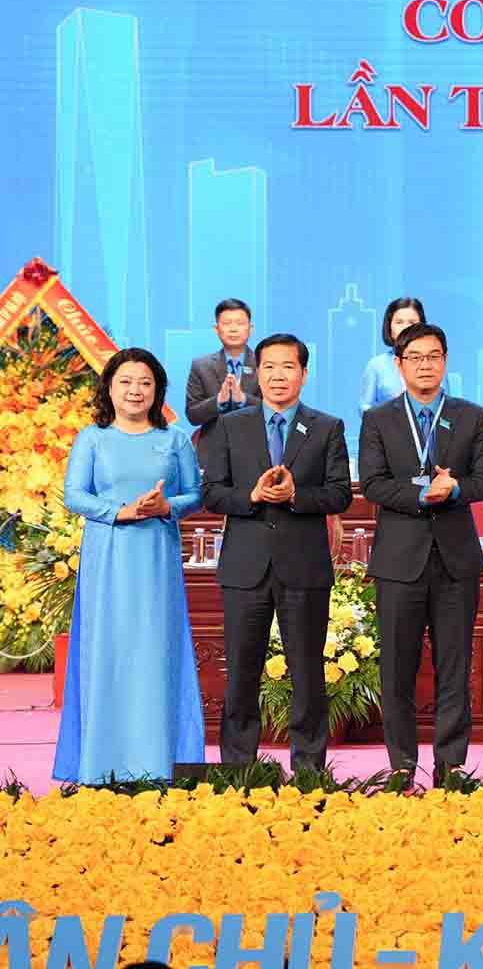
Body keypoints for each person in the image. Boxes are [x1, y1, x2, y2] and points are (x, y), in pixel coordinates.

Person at [201, 333, 353, 772]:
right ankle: (237, 768)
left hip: (303, 567)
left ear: (304, 374)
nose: (278, 375)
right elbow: (212, 493)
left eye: (288, 367)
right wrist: (250, 495)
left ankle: (308, 769)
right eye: (269, 367)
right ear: (256, 373)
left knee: (307, 675)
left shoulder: (327, 427)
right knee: (242, 675)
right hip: (245, 566)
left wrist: (295, 496)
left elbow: (340, 494)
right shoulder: (230, 427)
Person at [55, 348, 204, 783]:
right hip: (109, 558)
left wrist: (164, 506)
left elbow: (194, 495)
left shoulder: (173, 438)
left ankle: (158, 763)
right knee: (108, 653)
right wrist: (120, 512)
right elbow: (74, 495)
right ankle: (100, 765)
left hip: (156, 558)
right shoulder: (93, 438)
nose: (135, 390)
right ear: (109, 387)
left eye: (145, 382)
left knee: (155, 652)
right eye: (126, 381)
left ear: (157, 391)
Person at [358, 323, 483, 783]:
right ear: (398, 365)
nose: (425, 364)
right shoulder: (378, 419)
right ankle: (401, 765)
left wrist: (454, 488)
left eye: (434, 355)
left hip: (456, 560)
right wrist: (421, 496)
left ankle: (451, 765)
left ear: (445, 360)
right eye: (415, 357)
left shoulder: (471, 415)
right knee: (397, 669)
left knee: (454, 666)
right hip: (399, 561)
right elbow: (374, 485)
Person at [184, 299, 260, 432]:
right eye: (226, 323)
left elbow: (275, 409)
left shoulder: (264, 364)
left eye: (240, 323)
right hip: (214, 448)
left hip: (256, 446)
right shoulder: (201, 366)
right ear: (216, 329)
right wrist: (218, 401)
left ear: (251, 329)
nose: (233, 329)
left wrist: (244, 400)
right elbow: (192, 415)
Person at [360, 297, 427, 412]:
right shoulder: (376, 365)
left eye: (412, 322)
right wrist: (390, 410)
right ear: (389, 327)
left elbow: (446, 408)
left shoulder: (434, 362)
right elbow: (364, 408)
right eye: (399, 322)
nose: (405, 327)